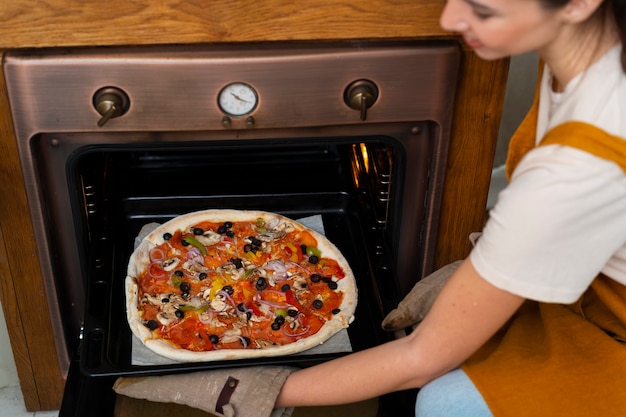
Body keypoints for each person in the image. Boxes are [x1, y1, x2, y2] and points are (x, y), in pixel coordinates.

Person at [274, 0, 626, 414]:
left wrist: (252, 389)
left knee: (445, 404)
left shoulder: (581, 161)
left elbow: (419, 361)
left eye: (483, 10)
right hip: (589, 282)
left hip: (609, 325)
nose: (449, 20)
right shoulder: (587, 45)